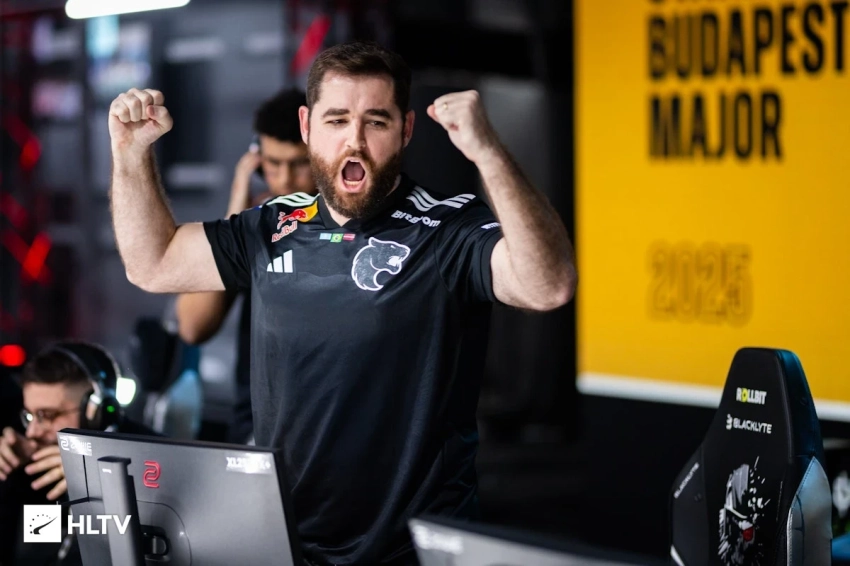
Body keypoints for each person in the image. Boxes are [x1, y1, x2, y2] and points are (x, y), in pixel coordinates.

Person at [106, 41, 577, 565]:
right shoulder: (273, 226)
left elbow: (548, 285)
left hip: (410, 552)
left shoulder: (446, 228)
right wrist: (130, 153)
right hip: (286, 544)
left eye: (376, 121)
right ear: (307, 126)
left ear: (406, 129)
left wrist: (488, 152)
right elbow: (153, 264)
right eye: (337, 120)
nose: (355, 140)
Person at [175, 88, 316, 444]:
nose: (285, 179)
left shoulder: (348, 227)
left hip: (322, 427)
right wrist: (236, 207)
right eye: (272, 164)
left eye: (299, 163)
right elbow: (192, 327)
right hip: (255, 426)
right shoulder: (256, 224)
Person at [0, 340, 158, 565]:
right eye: (29, 416)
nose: (32, 432)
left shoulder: (153, 464)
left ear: (95, 412)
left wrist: (94, 483)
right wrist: (10, 476)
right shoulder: (34, 460)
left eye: (46, 415)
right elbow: (34, 545)